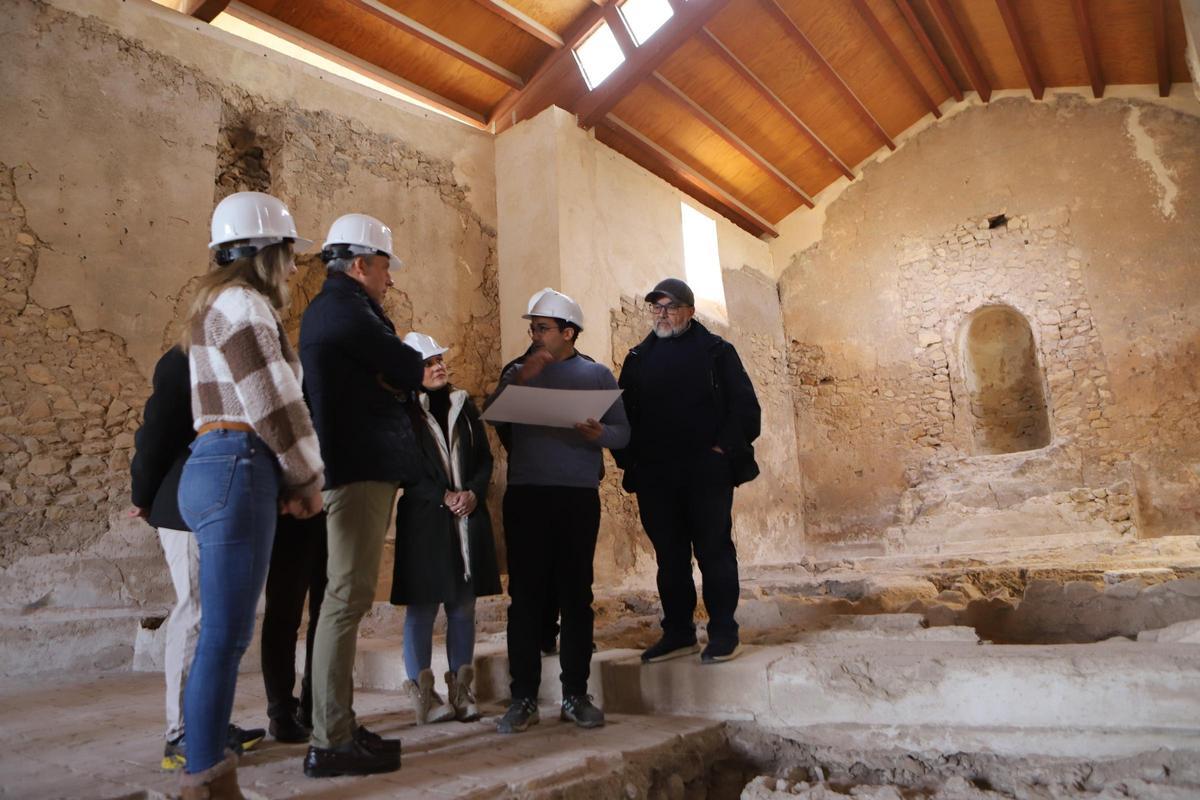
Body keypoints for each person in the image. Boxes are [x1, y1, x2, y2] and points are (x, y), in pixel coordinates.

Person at [176, 191, 325, 799]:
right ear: (264, 252)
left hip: (215, 464)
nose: (294, 268)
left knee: (220, 633)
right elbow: (272, 403)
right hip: (239, 463)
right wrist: (307, 478)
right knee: (226, 637)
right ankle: (204, 777)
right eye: (289, 254)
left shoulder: (215, 304)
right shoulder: (244, 305)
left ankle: (201, 766)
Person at [300, 213, 425, 778]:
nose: (389, 280)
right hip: (356, 469)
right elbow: (410, 367)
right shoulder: (347, 309)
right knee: (346, 599)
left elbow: (398, 373)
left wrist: (394, 377)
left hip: (354, 466)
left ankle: (340, 725)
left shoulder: (339, 310)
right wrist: (397, 376)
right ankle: (329, 738)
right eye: (384, 268)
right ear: (359, 265)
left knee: (344, 598)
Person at [485, 288, 629, 734]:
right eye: (532, 327)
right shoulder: (517, 370)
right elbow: (492, 417)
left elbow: (624, 433)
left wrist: (598, 433)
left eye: (542, 328)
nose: (535, 334)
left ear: (568, 333)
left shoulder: (597, 375)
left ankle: (574, 694)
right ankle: (523, 697)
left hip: (575, 497)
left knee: (575, 596)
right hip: (527, 495)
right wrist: (520, 379)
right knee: (525, 598)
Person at [129, 346, 266, 773]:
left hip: (222, 499)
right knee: (196, 612)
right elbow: (155, 434)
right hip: (185, 499)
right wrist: (143, 495)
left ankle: (208, 722)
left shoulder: (237, 358)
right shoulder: (182, 359)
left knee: (216, 616)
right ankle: (182, 734)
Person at [614, 278, 761, 666]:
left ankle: (724, 632)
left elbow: (745, 410)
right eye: (656, 307)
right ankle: (678, 632)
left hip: (705, 472)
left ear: (690, 312)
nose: (662, 314)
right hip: (656, 476)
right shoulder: (637, 358)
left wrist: (720, 450)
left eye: (670, 307)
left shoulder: (717, 352)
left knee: (713, 551)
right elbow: (622, 414)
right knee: (670, 557)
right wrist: (631, 461)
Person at [389, 332, 500, 725]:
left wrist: (473, 491)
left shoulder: (462, 403)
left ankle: (461, 690)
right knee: (422, 605)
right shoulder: (401, 411)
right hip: (425, 519)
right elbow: (403, 467)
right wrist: (442, 496)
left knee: (462, 605)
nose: (437, 366)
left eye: (438, 359)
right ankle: (423, 696)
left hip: (466, 516)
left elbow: (485, 458)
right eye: (427, 362)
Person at [260, 509, 327, 743]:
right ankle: (280, 710)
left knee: (328, 615)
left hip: (336, 503)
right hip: (292, 509)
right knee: (284, 610)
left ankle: (315, 703)